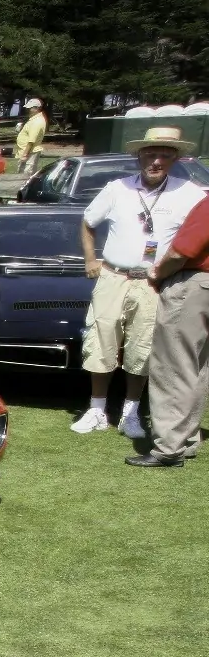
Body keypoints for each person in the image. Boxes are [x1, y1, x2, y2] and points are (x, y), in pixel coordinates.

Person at [74, 126, 207, 439]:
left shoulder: (191, 194)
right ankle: (96, 409)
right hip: (113, 276)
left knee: (143, 347)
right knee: (100, 340)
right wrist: (90, 260)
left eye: (165, 155)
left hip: (155, 282)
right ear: (139, 156)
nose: (156, 161)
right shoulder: (117, 188)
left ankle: (131, 413)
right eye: (150, 154)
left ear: (176, 158)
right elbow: (88, 222)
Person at [132, 187, 209, 466]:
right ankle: (184, 440)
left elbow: (181, 252)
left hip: (195, 284)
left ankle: (168, 448)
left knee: (173, 367)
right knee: (197, 368)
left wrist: (157, 272)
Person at [15, 98, 47, 177]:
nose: (28, 110)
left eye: (30, 108)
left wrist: (25, 155)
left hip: (30, 153)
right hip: (26, 151)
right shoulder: (33, 119)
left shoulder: (37, 121)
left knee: (26, 175)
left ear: (37, 108)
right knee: (21, 174)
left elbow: (31, 141)